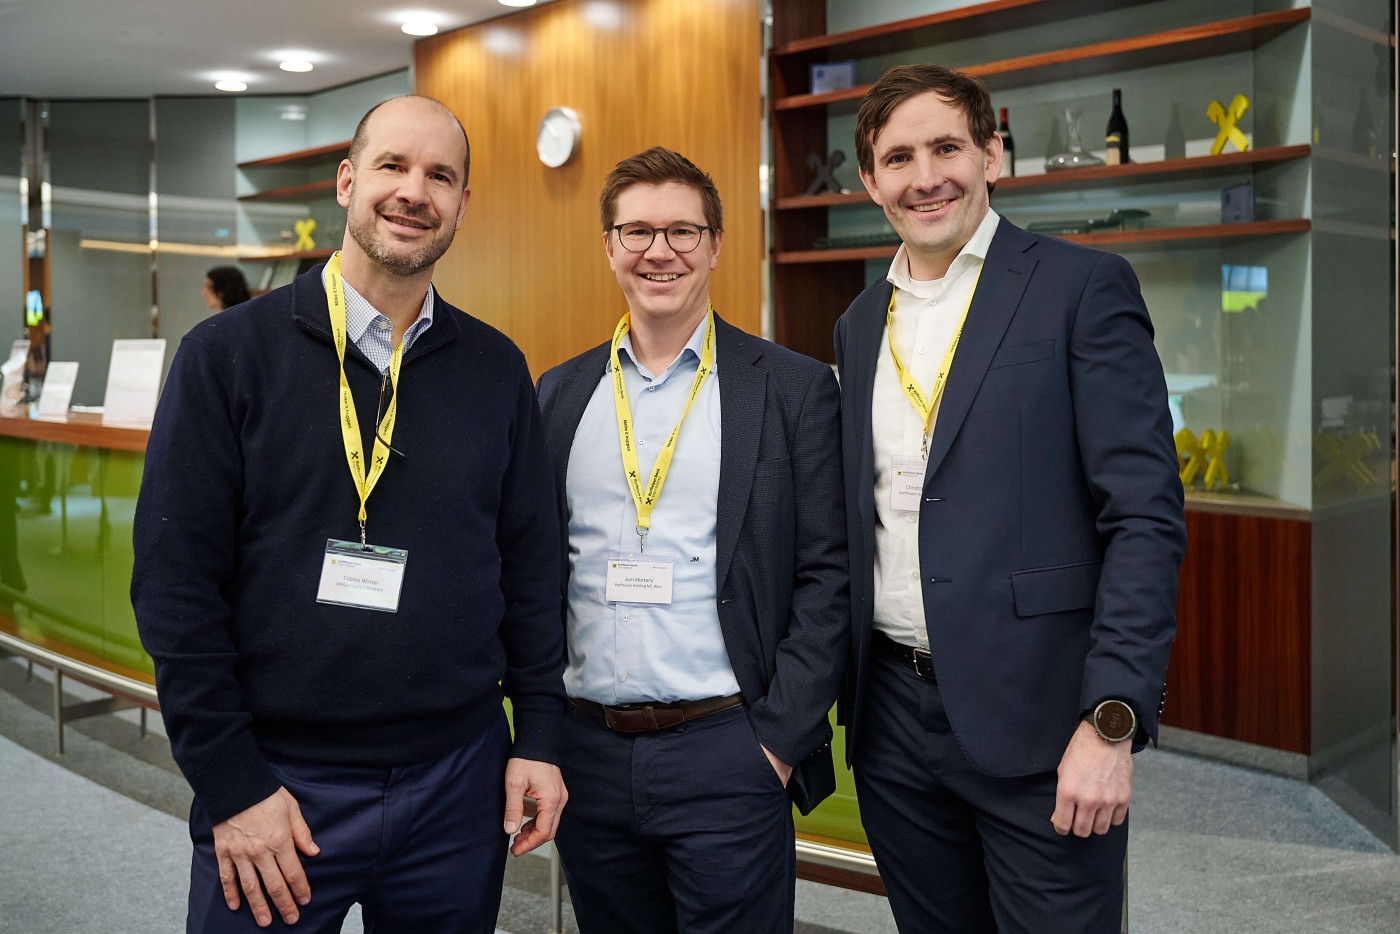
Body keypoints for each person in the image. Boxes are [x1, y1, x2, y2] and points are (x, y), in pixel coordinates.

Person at [132, 95, 567, 933]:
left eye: (440, 175)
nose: (414, 192)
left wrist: (539, 734)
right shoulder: (225, 357)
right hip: (278, 784)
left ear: (463, 204)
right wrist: (232, 784)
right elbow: (174, 586)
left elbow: (530, 568)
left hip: (457, 783)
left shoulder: (495, 368)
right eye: (392, 166)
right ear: (346, 182)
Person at [834, 64, 1186, 933]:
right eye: (899, 158)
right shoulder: (858, 322)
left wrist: (1110, 721)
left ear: (992, 155)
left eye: (947, 148)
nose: (926, 177)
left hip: (1043, 725)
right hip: (892, 724)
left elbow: (1143, 518)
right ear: (870, 181)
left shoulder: (1080, 287)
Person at [536, 147, 849, 934]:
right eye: (637, 231)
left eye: (682, 230)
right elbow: (536, 570)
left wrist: (775, 742)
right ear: (609, 246)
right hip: (590, 754)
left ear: (715, 245)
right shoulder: (560, 393)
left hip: (727, 749)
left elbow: (829, 576)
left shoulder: (791, 389)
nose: (660, 251)